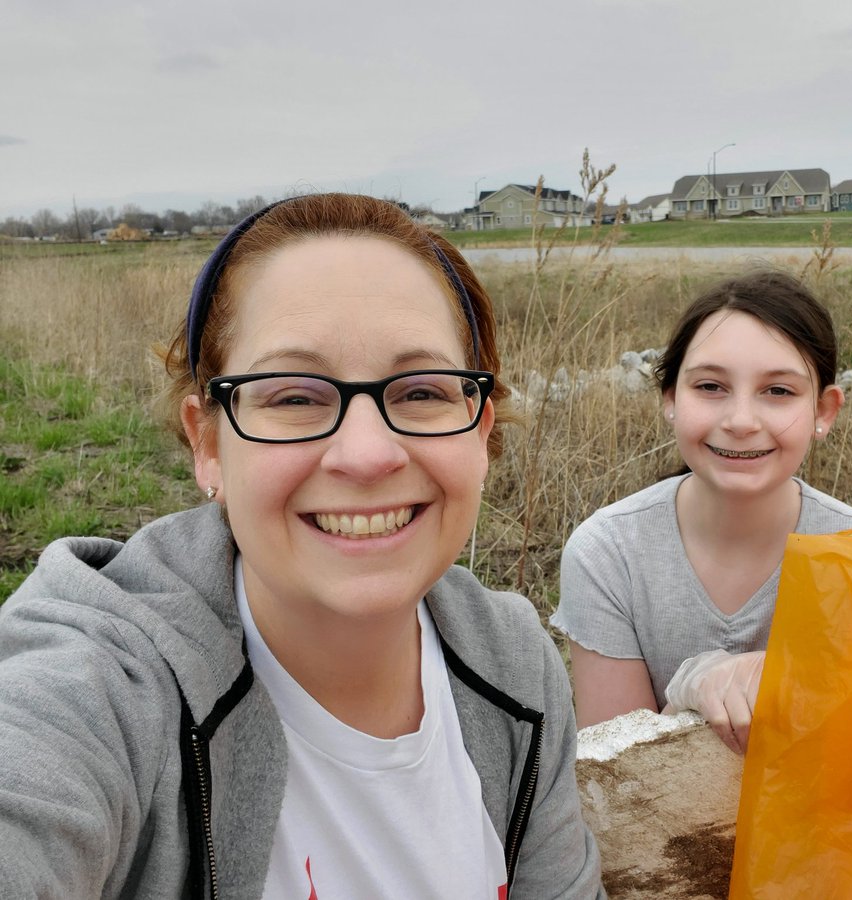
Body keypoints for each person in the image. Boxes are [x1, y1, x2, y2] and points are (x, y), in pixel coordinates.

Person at [0, 194, 604, 899]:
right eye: (293, 397)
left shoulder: (515, 666)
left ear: (478, 432)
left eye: (420, 392)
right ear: (208, 443)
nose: (368, 453)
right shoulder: (107, 690)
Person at [551, 270, 852, 755]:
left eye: (779, 392)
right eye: (710, 386)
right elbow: (618, 787)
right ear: (670, 400)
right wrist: (691, 688)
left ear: (824, 411)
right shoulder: (609, 553)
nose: (740, 421)